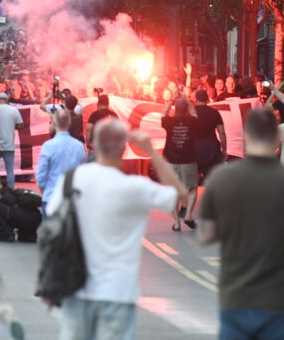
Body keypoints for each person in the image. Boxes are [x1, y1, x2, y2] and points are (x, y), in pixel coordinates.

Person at [46, 121, 186, 340]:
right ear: (124, 150)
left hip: (75, 287)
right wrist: (151, 151)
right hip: (117, 291)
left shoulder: (72, 179)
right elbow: (178, 194)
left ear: (93, 144)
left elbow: (52, 226)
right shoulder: (134, 187)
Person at [198, 108, 284, 339]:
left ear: (245, 135)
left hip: (237, 298)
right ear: (277, 138)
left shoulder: (221, 178)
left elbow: (205, 234)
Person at [35, 107, 85, 214]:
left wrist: (46, 192)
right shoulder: (79, 146)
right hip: (71, 199)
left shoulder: (48, 146)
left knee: (50, 230)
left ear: (54, 123)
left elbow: (40, 176)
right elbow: (83, 173)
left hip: (51, 197)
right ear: (69, 123)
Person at [160, 97, 199, 231]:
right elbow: (194, 113)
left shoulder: (169, 121)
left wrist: (170, 100)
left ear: (175, 108)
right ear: (186, 109)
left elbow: (163, 113)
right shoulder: (191, 121)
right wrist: (188, 101)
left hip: (171, 160)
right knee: (192, 188)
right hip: (188, 160)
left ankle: (176, 223)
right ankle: (188, 215)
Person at [191, 89, 226, 177]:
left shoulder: (189, 113)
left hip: (193, 149)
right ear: (207, 99)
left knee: (193, 181)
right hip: (212, 149)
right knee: (212, 178)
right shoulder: (214, 112)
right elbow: (221, 132)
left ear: (195, 99)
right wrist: (224, 149)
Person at [0, 91, 23, 193]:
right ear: (7, 100)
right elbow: (20, 126)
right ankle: (11, 191)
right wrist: (11, 126)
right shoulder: (13, 110)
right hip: (9, 144)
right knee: (10, 170)